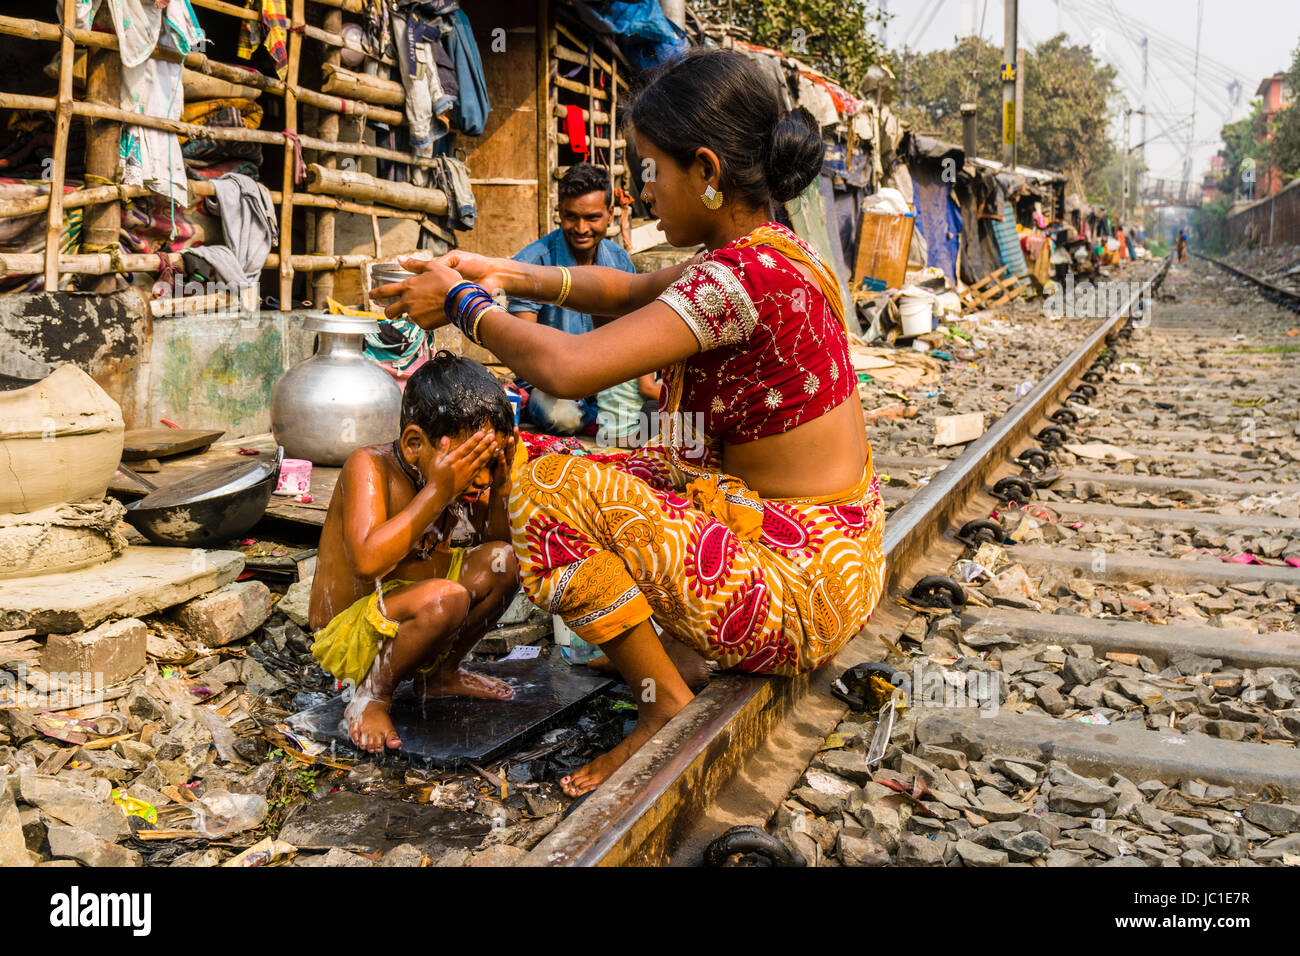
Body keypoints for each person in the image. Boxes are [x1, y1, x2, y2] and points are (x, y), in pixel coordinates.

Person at [375, 48, 886, 798]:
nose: (642, 191)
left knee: (541, 481)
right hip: (824, 549)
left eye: (651, 169)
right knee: (589, 457)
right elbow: (625, 290)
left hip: (798, 588)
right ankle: (663, 651)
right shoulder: (767, 254)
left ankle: (663, 698)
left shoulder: (737, 279)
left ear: (707, 170)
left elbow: (569, 369)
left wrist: (461, 305)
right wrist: (506, 273)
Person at [307, 352, 520, 754]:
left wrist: (502, 485)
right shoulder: (369, 466)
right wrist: (438, 491)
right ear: (413, 444)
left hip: (421, 608)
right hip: (351, 634)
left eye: (489, 462)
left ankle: (439, 674)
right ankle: (372, 696)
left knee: (505, 562)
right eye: (470, 461)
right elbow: (369, 561)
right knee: (447, 598)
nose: (482, 477)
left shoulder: (467, 480)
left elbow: (496, 538)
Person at [507, 162, 639, 436]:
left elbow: (634, 332)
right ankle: (591, 417)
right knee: (563, 417)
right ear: (559, 213)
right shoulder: (532, 263)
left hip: (607, 375)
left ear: (610, 214)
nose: (581, 228)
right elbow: (525, 348)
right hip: (551, 379)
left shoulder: (619, 260)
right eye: (571, 217)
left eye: (592, 217)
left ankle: (599, 416)